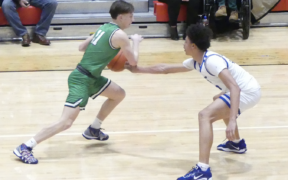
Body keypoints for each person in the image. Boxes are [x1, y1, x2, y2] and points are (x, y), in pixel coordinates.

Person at [13, 0, 143, 164]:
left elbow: (81, 47)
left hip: (92, 77)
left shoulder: (103, 27)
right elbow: (134, 62)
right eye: (131, 16)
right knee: (66, 122)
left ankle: (93, 129)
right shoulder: (121, 36)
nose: (133, 20)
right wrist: (136, 42)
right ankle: (26, 146)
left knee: (118, 94)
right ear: (122, 17)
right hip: (82, 79)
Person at [125, 24, 261, 180]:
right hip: (243, 89)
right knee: (218, 101)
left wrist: (232, 120)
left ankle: (203, 170)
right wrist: (138, 69)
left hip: (247, 91)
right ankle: (236, 144)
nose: (184, 44)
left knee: (205, 115)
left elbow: (235, 88)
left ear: (193, 46)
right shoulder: (197, 61)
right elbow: (165, 68)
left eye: (186, 41)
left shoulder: (212, 61)